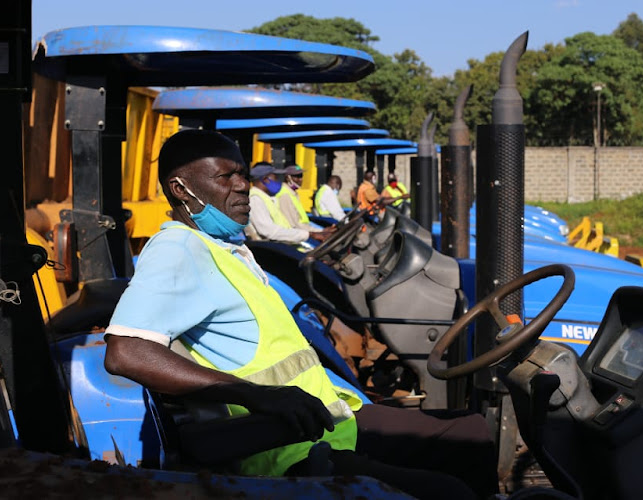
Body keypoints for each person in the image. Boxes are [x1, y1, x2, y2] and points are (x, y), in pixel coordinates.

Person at [104, 130, 497, 500]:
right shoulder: (177, 247)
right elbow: (126, 351)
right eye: (226, 177)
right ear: (181, 189)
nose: (243, 186)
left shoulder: (224, 247)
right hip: (284, 446)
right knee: (449, 491)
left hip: (327, 418)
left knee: (473, 432)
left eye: (243, 174)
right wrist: (257, 396)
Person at [245, 162, 326, 244]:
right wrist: (309, 234)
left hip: (285, 243)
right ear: (266, 179)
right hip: (274, 248)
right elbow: (269, 231)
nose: (278, 181)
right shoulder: (255, 199)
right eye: (275, 178)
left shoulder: (267, 198)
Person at [275, 164, 314, 231]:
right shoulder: (285, 195)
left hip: (303, 229)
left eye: (301, 176)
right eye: (297, 177)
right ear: (288, 178)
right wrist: (316, 232)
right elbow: (293, 224)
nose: (300, 179)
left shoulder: (292, 193)